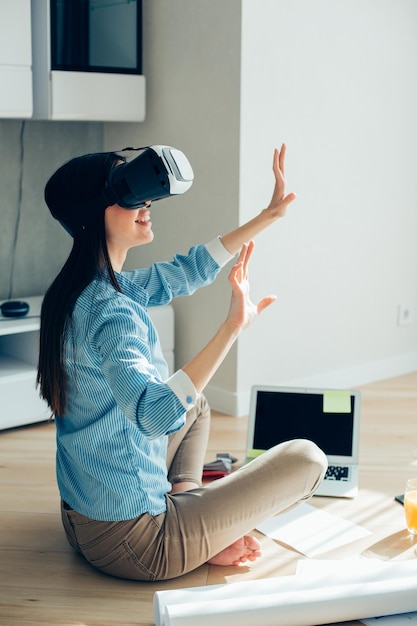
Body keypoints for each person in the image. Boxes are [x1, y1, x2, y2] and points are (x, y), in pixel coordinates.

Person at [37, 144, 327, 581]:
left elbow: (187, 270)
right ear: (94, 213)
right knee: (309, 459)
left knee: (196, 406)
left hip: (83, 519)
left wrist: (268, 216)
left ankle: (191, 503)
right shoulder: (112, 311)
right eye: (129, 193)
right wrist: (233, 327)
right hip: (137, 544)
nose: (147, 202)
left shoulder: (82, 289)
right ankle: (196, 526)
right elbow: (154, 414)